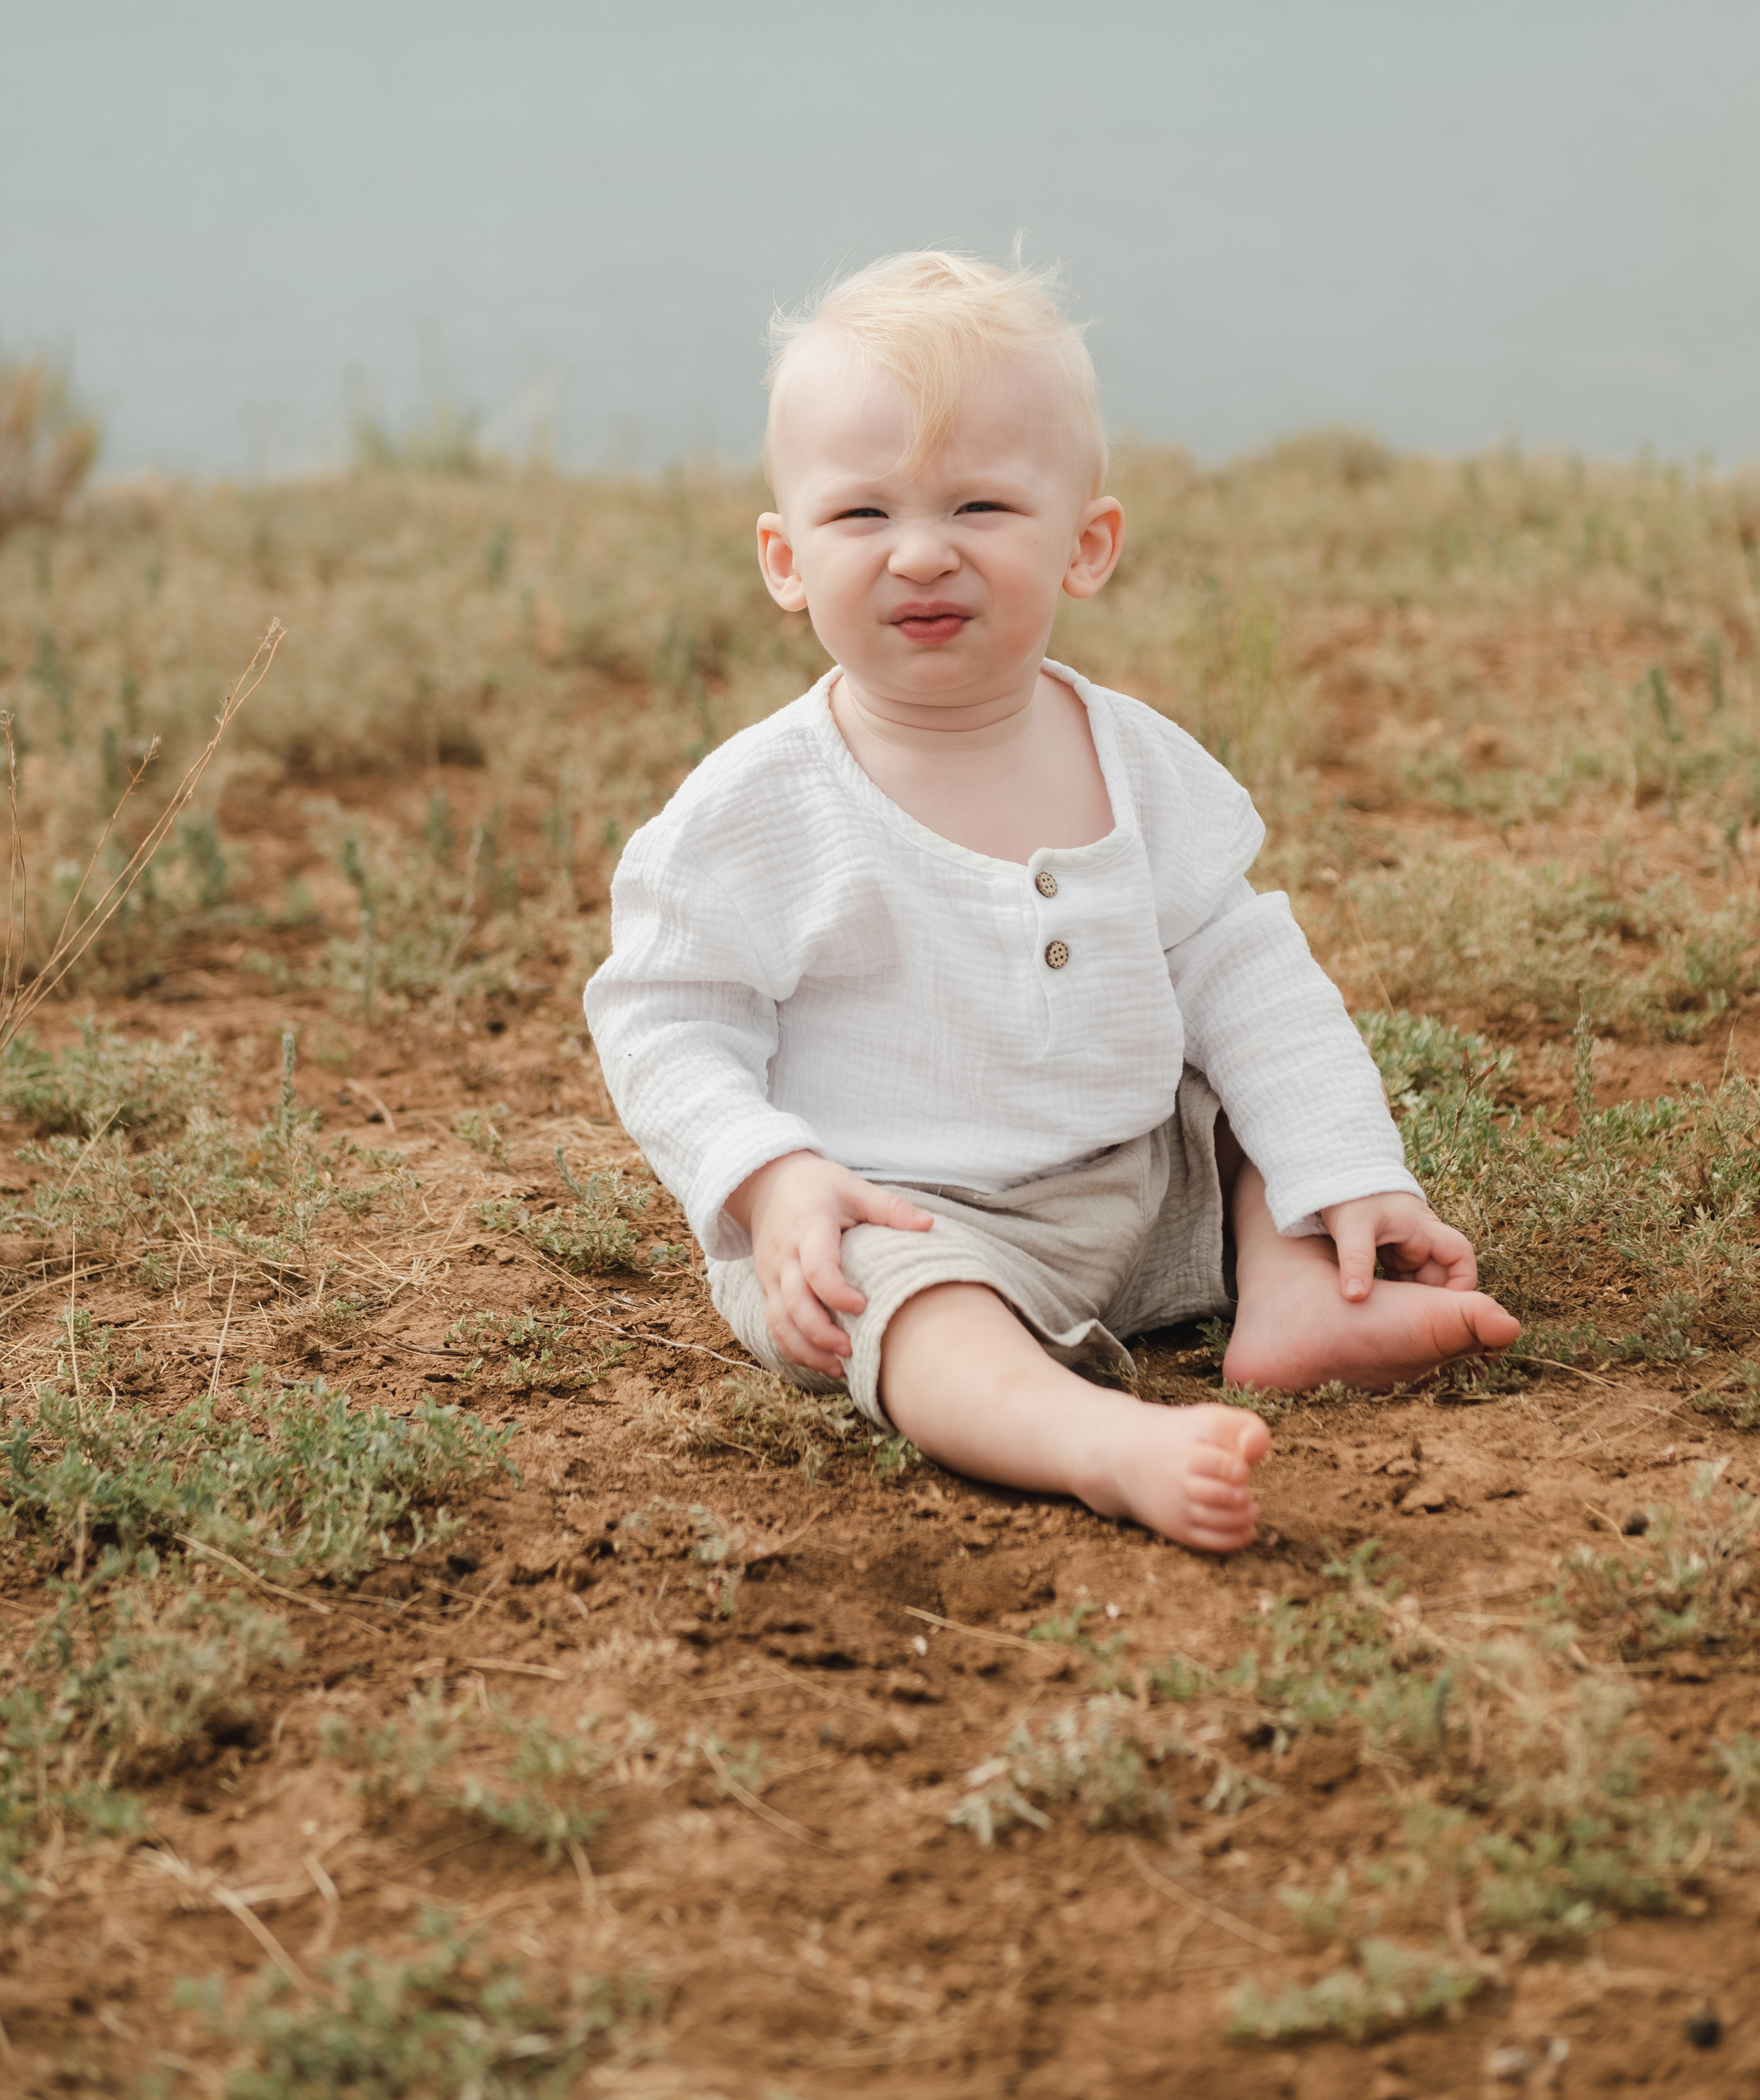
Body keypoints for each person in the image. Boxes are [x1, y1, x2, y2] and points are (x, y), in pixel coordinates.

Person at [585, 253, 1520, 1551]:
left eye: (980, 504)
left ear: (1086, 546)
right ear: (784, 557)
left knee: (1245, 1099)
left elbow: (1250, 976)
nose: (922, 551)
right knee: (899, 1309)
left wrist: (1348, 1170)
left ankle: (1299, 1296)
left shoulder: (1138, 761)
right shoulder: (759, 806)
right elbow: (663, 1017)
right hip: (896, 1215)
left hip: (1136, 1190)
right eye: (862, 516)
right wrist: (774, 1178)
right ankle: (1089, 1437)